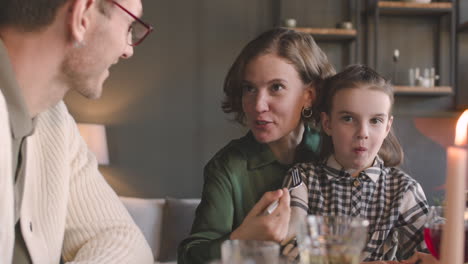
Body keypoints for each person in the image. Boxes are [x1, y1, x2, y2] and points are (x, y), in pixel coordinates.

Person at [0, 0, 154, 263]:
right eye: (130, 25)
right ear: (82, 16)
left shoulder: (55, 123)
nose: (128, 49)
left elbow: (122, 237)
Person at [178, 27, 336, 264]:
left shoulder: (334, 151)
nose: (258, 105)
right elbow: (190, 256)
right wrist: (242, 238)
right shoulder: (227, 166)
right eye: (249, 88)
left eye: (276, 87)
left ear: (309, 95)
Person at [284, 65, 429, 262]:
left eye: (375, 121)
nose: (363, 132)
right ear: (327, 123)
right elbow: (290, 253)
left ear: (387, 127)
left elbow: (430, 255)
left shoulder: (404, 190)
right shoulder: (302, 180)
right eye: (348, 118)